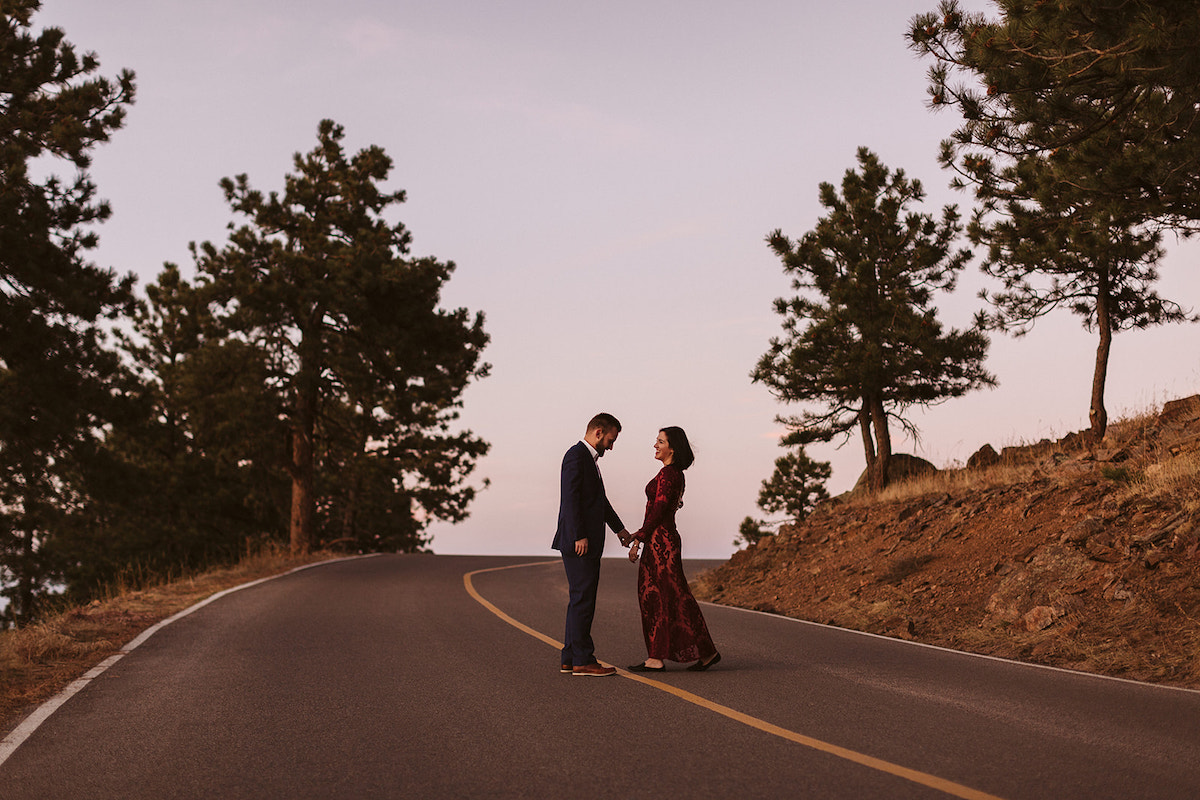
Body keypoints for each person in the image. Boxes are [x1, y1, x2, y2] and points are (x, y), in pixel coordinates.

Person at [627, 427, 720, 672]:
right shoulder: (672, 473)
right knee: (674, 596)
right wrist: (643, 536)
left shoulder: (669, 474)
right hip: (661, 541)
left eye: (660, 441)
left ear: (672, 448)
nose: (655, 445)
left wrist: (639, 538)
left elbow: (658, 510)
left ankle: (656, 659)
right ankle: (706, 652)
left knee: (659, 597)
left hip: (661, 544)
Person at [552, 413, 633, 677]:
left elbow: (600, 502)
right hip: (579, 542)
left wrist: (619, 529)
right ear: (598, 432)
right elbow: (571, 498)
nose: (611, 446)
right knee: (583, 600)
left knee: (579, 599)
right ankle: (583, 660)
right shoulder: (576, 456)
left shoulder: (589, 460)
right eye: (610, 440)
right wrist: (579, 535)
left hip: (582, 540)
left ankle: (570, 657)